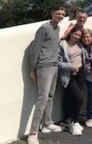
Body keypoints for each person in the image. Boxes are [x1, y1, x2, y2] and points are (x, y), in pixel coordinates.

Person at [27, 7, 65, 144]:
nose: (60, 16)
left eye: (62, 14)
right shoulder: (44, 28)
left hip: (54, 65)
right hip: (44, 67)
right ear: (52, 14)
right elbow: (35, 49)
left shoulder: (58, 28)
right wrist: (32, 69)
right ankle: (33, 133)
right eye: (58, 13)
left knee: (50, 96)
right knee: (42, 99)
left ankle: (48, 122)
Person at [58, 25, 85, 136]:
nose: (77, 36)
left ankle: (69, 119)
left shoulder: (79, 44)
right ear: (70, 33)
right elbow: (58, 63)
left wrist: (80, 66)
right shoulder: (62, 45)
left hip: (80, 73)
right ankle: (75, 122)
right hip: (69, 75)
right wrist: (72, 67)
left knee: (71, 97)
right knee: (79, 98)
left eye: (79, 35)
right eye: (75, 34)